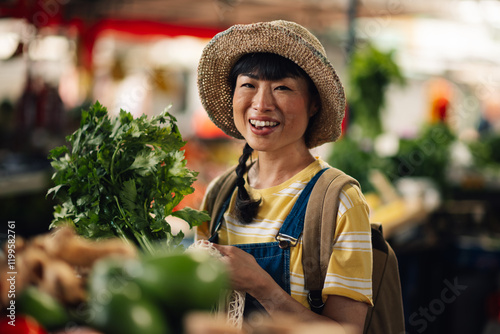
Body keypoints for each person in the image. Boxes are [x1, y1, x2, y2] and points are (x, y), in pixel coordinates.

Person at [195, 20, 373, 333]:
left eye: (282, 88)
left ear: (314, 103)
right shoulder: (220, 194)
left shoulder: (339, 202)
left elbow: (347, 330)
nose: (261, 104)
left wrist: (262, 287)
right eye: (248, 85)